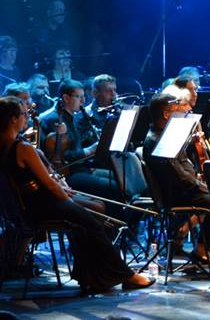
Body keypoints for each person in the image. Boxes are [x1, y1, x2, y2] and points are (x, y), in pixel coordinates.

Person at [0, 96, 154, 292]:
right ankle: (125, 275)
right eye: (24, 114)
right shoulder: (22, 148)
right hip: (42, 207)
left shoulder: (5, 145)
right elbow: (50, 185)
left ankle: (91, 276)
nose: (27, 118)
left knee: (89, 219)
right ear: (12, 119)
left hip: (24, 209)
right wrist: (69, 200)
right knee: (92, 223)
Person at [141, 91, 210, 268]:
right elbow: (180, 177)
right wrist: (204, 187)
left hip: (180, 189)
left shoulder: (162, 134)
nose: (183, 114)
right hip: (175, 195)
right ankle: (203, 249)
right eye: (178, 110)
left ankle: (207, 248)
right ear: (166, 114)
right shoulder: (158, 140)